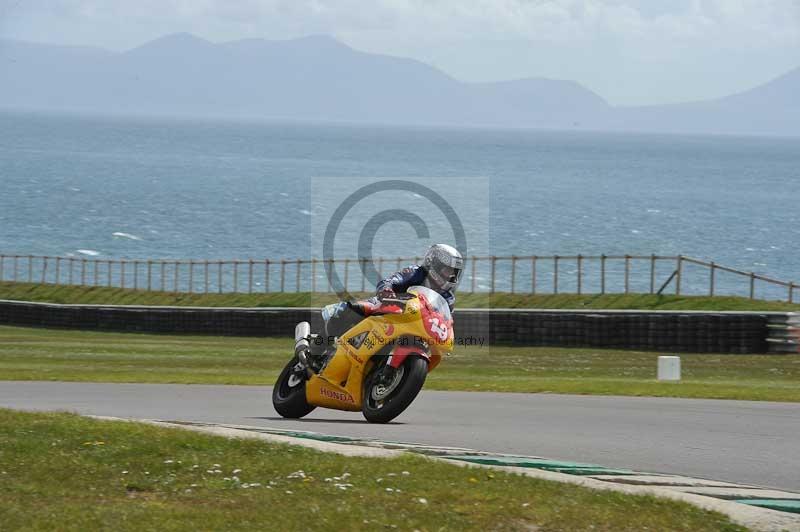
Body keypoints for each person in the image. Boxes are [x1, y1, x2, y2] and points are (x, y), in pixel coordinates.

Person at [315, 244, 464, 353]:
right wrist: (387, 290)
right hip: (389, 307)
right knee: (352, 308)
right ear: (433, 264)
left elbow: (446, 320)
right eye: (447, 270)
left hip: (414, 326)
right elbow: (391, 280)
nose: (450, 276)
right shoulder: (415, 272)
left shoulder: (448, 298)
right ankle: (317, 347)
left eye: (453, 273)